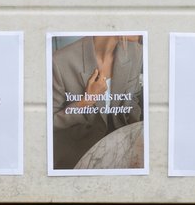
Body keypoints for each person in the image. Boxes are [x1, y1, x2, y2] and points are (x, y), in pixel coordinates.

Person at [49, 34, 144, 170]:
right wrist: (85, 101)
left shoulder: (136, 51)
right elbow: (49, 122)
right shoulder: (59, 61)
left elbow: (133, 97)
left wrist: (135, 137)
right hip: (79, 155)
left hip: (125, 148)